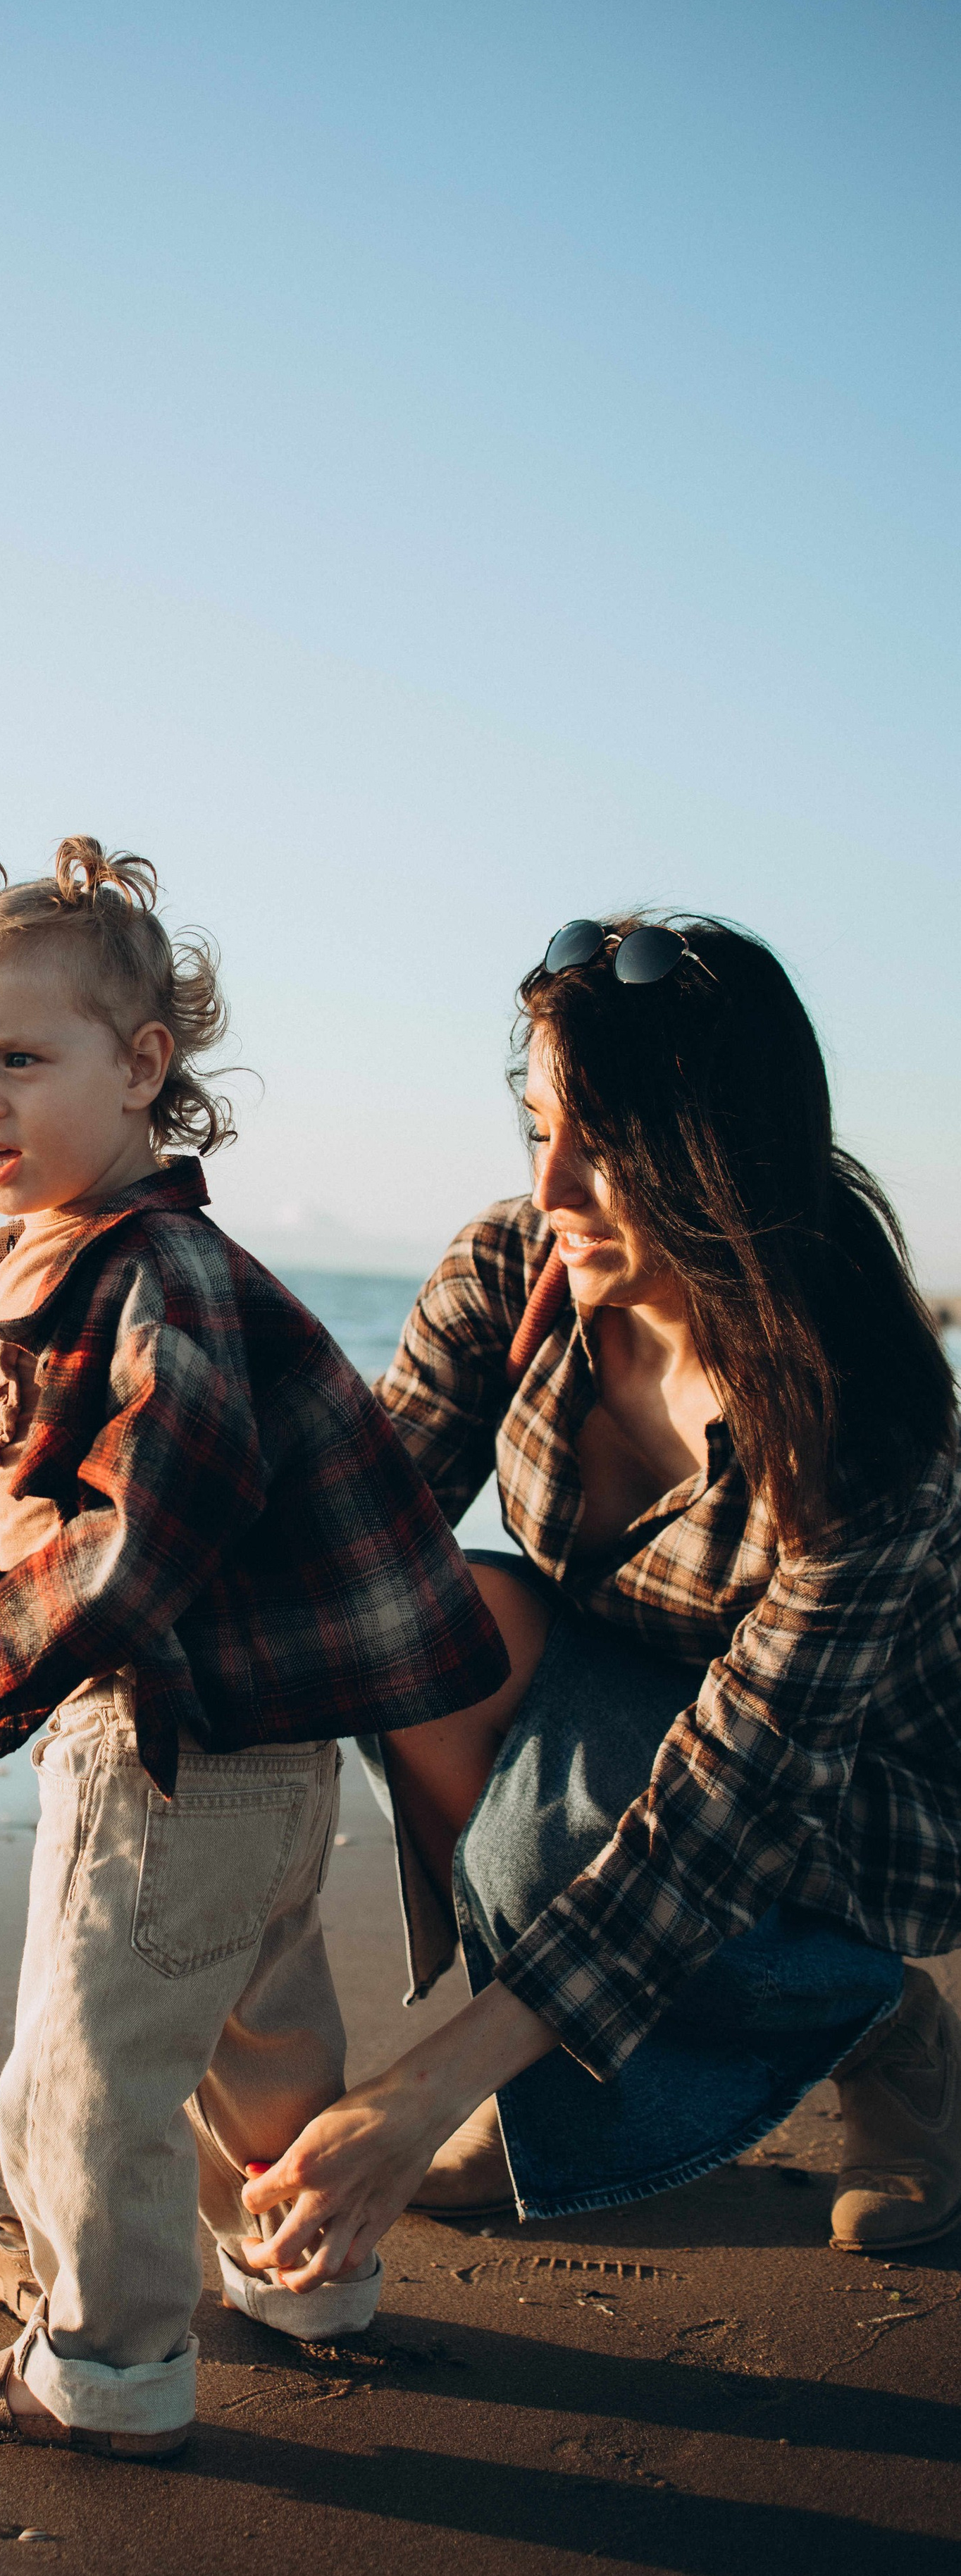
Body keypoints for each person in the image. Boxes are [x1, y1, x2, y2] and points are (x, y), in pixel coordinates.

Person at [0, 838, 509, 2458]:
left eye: (19, 1058)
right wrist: (16, 1548)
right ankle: (298, 2274)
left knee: (85, 2070)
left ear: (140, 1066)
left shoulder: (148, 1265)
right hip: (269, 1753)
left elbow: (160, 1521)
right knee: (254, 2037)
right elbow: (133, 1490)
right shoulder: (99, 1242)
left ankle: (109, 2357)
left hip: (164, 1752)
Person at [240, 915, 961, 2301]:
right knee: (431, 1619)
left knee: (543, 1849)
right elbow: (346, 1549)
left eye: (605, 1148)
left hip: (859, 1798)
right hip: (630, 1708)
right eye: (535, 1132)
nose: (551, 1184)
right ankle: (540, 2095)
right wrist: (82, 1562)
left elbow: (731, 1800)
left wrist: (408, 2094)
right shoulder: (514, 1268)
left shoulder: (864, 1426)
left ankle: (873, 2025)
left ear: (720, 1162)